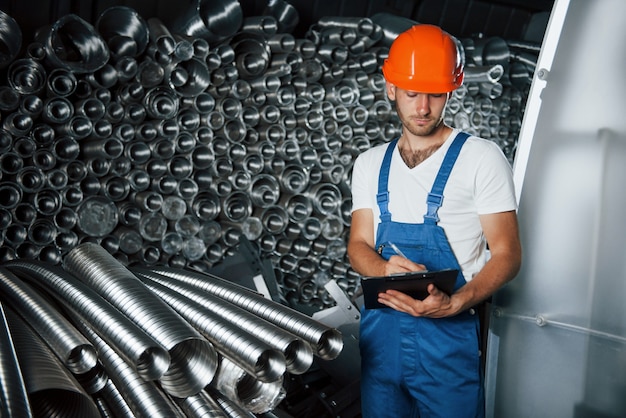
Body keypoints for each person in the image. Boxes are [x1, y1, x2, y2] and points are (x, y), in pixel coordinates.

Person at [347, 24, 522, 418]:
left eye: (435, 95)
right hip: (382, 346)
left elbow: (508, 253)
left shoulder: (481, 158)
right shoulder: (370, 164)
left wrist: (457, 301)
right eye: (412, 94)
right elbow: (358, 245)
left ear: (452, 90)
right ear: (390, 87)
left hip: (448, 343)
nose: (423, 108)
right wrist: (383, 268)